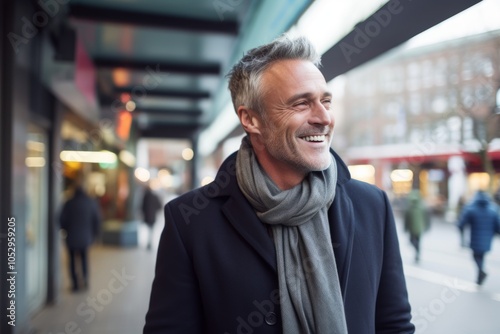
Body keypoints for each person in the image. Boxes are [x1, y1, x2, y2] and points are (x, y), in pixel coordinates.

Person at [144, 35, 415, 334]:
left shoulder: (372, 205)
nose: (324, 118)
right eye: (301, 103)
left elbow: (394, 325)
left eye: (326, 101)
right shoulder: (189, 222)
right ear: (250, 119)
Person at [59, 176, 101, 292]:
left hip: (71, 237)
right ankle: (85, 280)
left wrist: (66, 230)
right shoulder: (91, 202)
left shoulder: (69, 203)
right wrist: (95, 235)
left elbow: (62, 219)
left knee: (72, 261)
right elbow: (97, 220)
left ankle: (75, 284)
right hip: (86, 237)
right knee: (84, 259)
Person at [457, 190, 500, 285]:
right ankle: (480, 275)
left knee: (476, 256)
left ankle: (481, 272)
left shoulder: (471, 208)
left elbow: (461, 223)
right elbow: (498, 226)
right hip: (487, 239)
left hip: (475, 239)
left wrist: (461, 234)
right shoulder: (493, 209)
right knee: (481, 256)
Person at [404, 189, 429, 263]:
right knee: (417, 241)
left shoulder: (409, 207)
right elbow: (426, 218)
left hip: (412, 228)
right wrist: (426, 226)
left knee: (412, 240)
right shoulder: (422, 207)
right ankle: (417, 252)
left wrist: (405, 228)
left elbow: (406, 220)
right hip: (419, 228)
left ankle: (417, 252)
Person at [141, 184, 162, 250]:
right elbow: (159, 206)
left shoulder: (145, 196)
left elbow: (142, 206)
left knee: (149, 229)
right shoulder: (154, 196)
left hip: (148, 216)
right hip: (152, 216)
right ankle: (149, 242)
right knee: (151, 230)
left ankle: (149, 243)